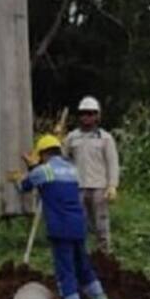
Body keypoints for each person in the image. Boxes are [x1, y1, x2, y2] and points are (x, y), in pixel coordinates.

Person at [12, 134, 112, 299]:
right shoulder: (72, 170)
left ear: (42, 154)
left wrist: (25, 171)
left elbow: (23, 186)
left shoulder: (43, 171)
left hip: (60, 229)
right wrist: (35, 167)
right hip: (78, 227)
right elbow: (52, 184)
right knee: (85, 269)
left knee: (66, 273)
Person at [63, 96, 120, 253]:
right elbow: (63, 160)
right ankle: (82, 255)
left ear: (97, 116)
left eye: (90, 113)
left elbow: (112, 163)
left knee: (101, 225)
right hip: (78, 187)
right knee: (79, 224)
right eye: (83, 113)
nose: (86, 117)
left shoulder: (105, 138)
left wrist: (112, 185)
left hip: (99, 188)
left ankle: (104, 254)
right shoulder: (72, 138)